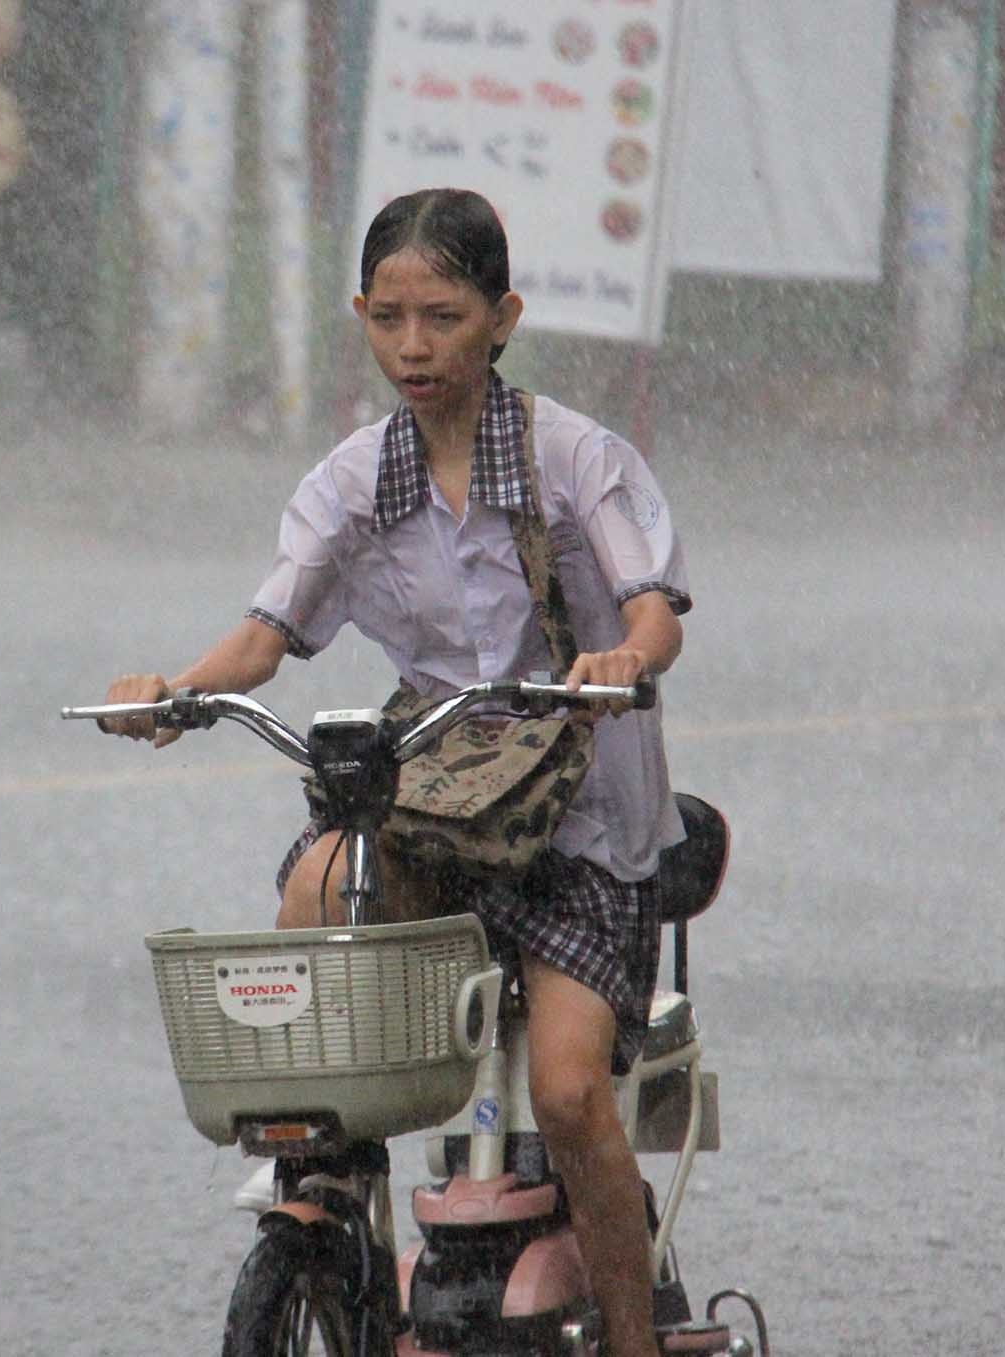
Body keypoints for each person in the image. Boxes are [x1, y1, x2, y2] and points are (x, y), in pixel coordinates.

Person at [98, 188, 687, 1357]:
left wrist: (626, 655)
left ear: (501, 318)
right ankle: (330, 1197)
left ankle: (629, 1340)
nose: (412, 348)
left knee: (569, 1092)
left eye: (443, 318)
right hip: (437, 799)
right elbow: (266, 634)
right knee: (317, 889)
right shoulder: (351, 481)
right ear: (361, 316)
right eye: (388, 319)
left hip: (579, 826)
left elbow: (652, 608)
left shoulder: (576, 459)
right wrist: (176, 692)